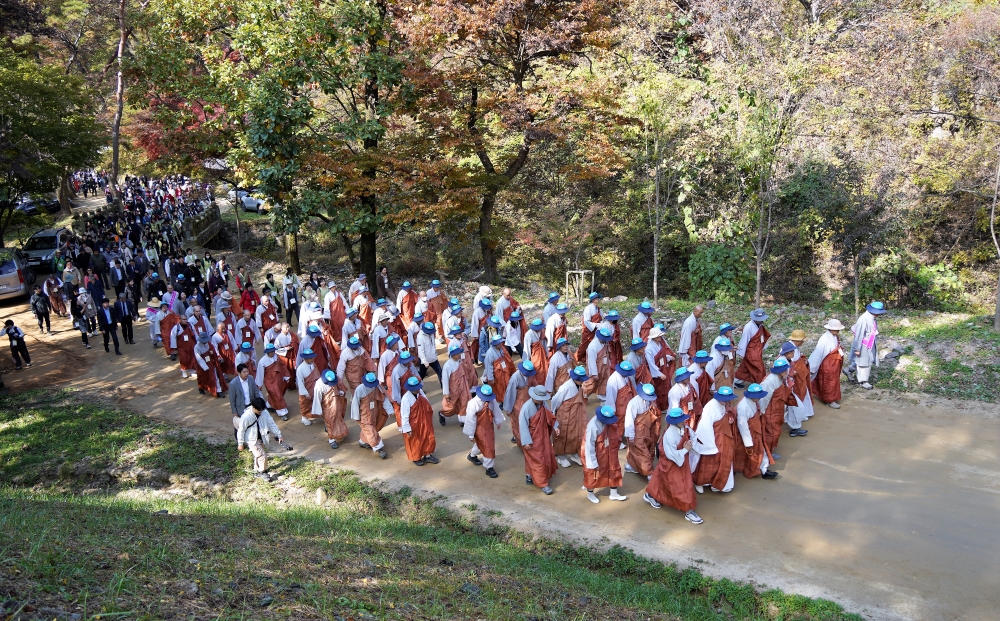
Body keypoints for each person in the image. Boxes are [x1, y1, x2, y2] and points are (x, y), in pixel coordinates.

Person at [643, 407, 703, 524]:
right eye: (681, 420)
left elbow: (693, 437)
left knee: (663, 482)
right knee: (682, 487)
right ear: (674, 422)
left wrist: (691, 445)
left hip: (681, 461)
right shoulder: (669, 435)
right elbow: (671, 455)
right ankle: (689, 511)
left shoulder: (685, 427)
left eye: (683, 419)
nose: (684, 421)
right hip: (672, 463)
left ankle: (651, 495)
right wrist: (685, 450)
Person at [691, 385, 738, 494]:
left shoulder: (723, 404)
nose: (727, 402)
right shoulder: (710, 407)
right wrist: (710, 445)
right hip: (712, 437)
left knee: (724, 459)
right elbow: (704, 426)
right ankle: (700, 482)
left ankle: (719, 483)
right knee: (708, 461)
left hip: (723, 436)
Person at [581, 405, 626, 504]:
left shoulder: (608, 423)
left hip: (609, 450)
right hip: (596, 452)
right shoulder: (592, 426)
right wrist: (592, 462)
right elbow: (589, 446)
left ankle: (613, 493)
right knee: (593, 473)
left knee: (614, 469)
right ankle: (590, 494)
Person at [518, 385, 558, 494]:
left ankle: (529, 475)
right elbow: (523, 425)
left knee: (539, 457)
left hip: (543, 435)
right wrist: (526, 441)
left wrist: (555, 426)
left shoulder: (542, 404)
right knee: (538, 459)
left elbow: (549, 415)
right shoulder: (526, 408)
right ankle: (543, 484)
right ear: (534, 397)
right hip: (532, 437)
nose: (542, 401)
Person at [734, 383, 779, 480]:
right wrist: (748, 443)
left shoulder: (753, 401)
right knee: (751, 453)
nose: (759, 398)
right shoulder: (743, 407)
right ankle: (760, 470)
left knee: (760, 450)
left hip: (755, 430)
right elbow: (743, 426)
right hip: (749, 433)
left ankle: (764, 469)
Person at [759, 358, 799, 462]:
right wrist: (762, 412)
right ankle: (766, 454)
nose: (787, 372)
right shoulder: (769, 381)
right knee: (771, 433)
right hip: (769, 412)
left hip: (777, 410)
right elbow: (764, 398)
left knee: (775, 432)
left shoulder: (780, 378)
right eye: (784, 370)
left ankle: (769, 452)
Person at [235, 396, 284, 481]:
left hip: (262, 437)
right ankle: (263, 472)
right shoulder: (246, 416)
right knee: (262, 455)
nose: (261, 412)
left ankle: (257, 471)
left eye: (262, 409)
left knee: (258, 455)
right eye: (259, 410)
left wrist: (279, 435)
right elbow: (241, 430)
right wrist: (240, 444)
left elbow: (271, 423)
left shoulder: (264, 412)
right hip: (252, 439)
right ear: (253, 407)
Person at [463, 385, 506, 478]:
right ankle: (489, 467)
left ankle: (472, 455)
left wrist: (498, 421)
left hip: (489, 426)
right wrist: (471, 434)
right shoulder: (473, 403)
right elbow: (470, 419)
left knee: (482, 443)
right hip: (478, 427)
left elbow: (496, 410)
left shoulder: (491, 400)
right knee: (488, 446)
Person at [550, 365, 588, 468]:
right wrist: (552, 414)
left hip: (576, 415)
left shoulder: (579, 385)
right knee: (563, 435)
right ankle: (561, 456)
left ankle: (574, 453)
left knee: (576, 434)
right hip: (565, 415)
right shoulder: (566, 387)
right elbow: (555, 400)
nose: (582, 381)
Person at [351, 372, 391, 459]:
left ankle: (363, 442)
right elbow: (355, 403)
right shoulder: (360, 389)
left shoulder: (377, 387)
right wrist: (356, 416)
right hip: (364, 415)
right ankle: (379, 448)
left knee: (370, 430)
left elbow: (383, 399)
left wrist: (389, 410)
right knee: (371, 432)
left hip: (374, 412)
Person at [624, 382, 660, 479]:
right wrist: (631, 436)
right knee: (642, 453)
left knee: (646, 448)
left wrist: (653, 405)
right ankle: (649, 473)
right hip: (636, 432)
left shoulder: (649, 401)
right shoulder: (633, 403)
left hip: (646, 429)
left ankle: (630, 465)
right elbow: (629, 421)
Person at [400, 376, 439, 466]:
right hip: (413, 423)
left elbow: (426, 402)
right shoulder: (406, 399)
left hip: (424, 420)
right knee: (415, 440)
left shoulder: (420, 392)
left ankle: (428, 455)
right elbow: (404, 415)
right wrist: (407, 429)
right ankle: (416, 457)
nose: (418, 390)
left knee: (428, 436)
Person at [810, 320, 846, 409]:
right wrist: (812, 367)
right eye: (836, 329)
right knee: (828, 382)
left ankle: (831, 397)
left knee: (833, 381)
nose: (838, 331)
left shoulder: (835, 336)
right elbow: (818, 353)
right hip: (828, 365)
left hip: (834, 364)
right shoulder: (824, 339)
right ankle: (829, 400)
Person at [849, 301, 885, 390]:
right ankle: (863, 381)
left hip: (870, 343)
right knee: (865, 363)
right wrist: (857, 348)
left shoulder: (872, 317)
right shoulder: (864, 319)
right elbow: (859, 334)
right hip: (863, 344)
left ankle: (849, 370)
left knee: (863, 361)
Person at [780, 340, 813, 433]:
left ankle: (795, 428)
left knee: (794, 406)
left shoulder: (787, 360)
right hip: (783, 388)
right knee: (794, 406)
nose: (793, 354)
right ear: (786, 353)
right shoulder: (782, 362)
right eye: (791, 352)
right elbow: (781, 377)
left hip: (787, 387)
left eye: (793, 352)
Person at [503, 359, 539, 445]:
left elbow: (534, 384)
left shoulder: (530, 375)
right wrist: (508, 408)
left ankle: (527, 438)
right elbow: (510, 393)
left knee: (530, 420)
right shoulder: (515, 378)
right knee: (518, 422)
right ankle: (519, 440)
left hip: (528, 400)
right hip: (518, 403)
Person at [312, 369, 349, 449]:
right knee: (330, 422)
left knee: (338, 419)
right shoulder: (319, 384)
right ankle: (332, 440)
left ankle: (338, 432)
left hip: (337, 403)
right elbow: (317, 398)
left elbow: (339, 387)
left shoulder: (335, 378)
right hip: (327, 406)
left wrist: (341, 392)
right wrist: (319, 410)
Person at [735, 308, 771, 387]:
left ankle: (736, 381)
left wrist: (763, 348)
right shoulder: (748, 327)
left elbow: (762, 337)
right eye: (759, 319)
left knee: (745, 367)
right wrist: (741, 353)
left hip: (758, 349)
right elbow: (744, 340)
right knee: (759, 368)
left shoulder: (760, 325)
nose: (761, 321)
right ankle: (761, 384)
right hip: (751, 352)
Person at [440, 344, 471, 427]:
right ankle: (442, 414)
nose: (459, 355)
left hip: (463, 386)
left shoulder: (459, 361)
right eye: (457, 354)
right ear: (452, 355)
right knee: (451, 405)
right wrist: (446, 393)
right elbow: (445, 380)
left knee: (464, 402)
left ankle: (462, 420)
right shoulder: (447, 365)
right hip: (453, 389)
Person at [583, 327, 614, 401]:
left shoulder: (605, 342)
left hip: (604, 366)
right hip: (596, 367)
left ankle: (602, 395)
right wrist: (594, 373)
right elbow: (591, 361)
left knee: (604, 380)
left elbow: (607, 353)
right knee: (591, 384)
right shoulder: (592, 346)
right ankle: (583, 394)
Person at [295, 348, 323, 426]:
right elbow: (300, 383)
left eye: (313, 357)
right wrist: (305, 393)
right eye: (311, 358)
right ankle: (304, 417)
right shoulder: (300, 369)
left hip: (316, 387)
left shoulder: (314, 364)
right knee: (305, 404)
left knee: (318, 402)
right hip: (306, 389)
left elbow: (318, 375)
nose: (312, 359)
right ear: (305, 359)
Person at [194, 332, 224, 397]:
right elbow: (198, 358)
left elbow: (214, 350)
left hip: (211, 362)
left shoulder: (209, 344)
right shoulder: (196, 347)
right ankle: (201, 387)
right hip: (202, 365)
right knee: (202, 377)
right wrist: (205, 367)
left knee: (215, 376)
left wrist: (212, 353)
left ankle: (218, 391)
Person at [575, 292, 603, 362]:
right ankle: (575, 359)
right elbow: (586, 321)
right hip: (589, 330)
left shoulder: (598, 308)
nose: (598, 299)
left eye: (598, 298)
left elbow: (601, 316)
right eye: (596, 298)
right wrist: (596, 325)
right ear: (592, 300)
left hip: (596, 330)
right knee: (585, 345)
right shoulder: (588, 308)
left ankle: (587, 359)